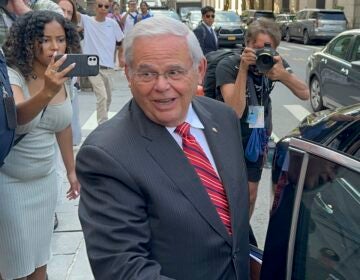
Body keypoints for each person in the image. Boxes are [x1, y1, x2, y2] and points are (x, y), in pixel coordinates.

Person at [76, 16, 250, 279]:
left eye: (174, 72)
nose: (161, 86)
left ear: (199, 70)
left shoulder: (223, 118)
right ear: (128, 74)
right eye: (147, 73)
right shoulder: (106, 155)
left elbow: (232, 224)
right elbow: (123, 268)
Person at [0, 10, 81, 279]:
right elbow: (19, 118)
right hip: (10, 184)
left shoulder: (61, 73)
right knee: (14, 265)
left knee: (40, 262)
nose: (54, 47)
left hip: (45, 182)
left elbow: (64, 124)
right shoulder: (12, 74)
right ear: (27, 41)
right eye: (45, 40)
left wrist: (71, 171)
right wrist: (47, 90)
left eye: (60, 39)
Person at [215, 18, 310, 217]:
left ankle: (243, 236)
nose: (261, 54)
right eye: (256, 48)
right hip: (227, 140)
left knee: (250, 194)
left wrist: (283, 75)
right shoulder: (229, 65)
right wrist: (243, 69)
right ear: (246, 44)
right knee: (226, 195)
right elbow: (234, 112)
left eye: (267, 48)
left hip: (256, 139)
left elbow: (304, 93)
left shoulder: (274, 64)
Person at [78, 0, 124, 124]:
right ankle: (102, 125)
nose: (103, 8)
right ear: (95, 7)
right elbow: (72, 13)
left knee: (108, 98)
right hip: (92, 66)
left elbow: (121, 41)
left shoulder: (113, 24)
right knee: (102, 97)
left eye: (106, 6)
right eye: (100, 5)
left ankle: (103, 120)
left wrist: (121, 57)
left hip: (108, 67)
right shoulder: (87, 20)